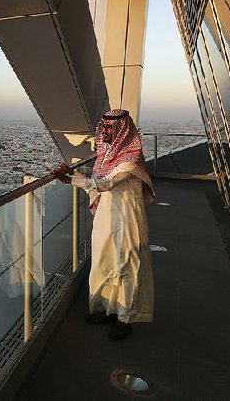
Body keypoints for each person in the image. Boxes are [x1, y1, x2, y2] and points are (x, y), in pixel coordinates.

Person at [52, 109, 155, 340]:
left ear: (122, 131)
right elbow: (97, 180)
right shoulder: (107, 155)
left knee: (127, 266)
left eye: (110, 128)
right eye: (104, 127)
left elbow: (107, 183)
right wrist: (74, 173)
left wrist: (71, 180)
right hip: (107, 218)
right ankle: (109, 309)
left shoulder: (131, 158)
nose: (105, 131)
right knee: (105, 262)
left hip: (126, 220)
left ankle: (125, 318)